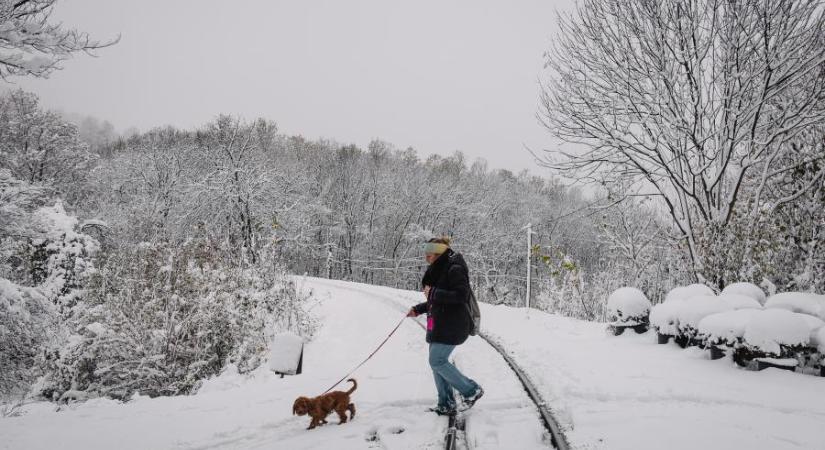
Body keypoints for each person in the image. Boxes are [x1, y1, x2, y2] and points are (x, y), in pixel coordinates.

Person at [407, 237, 484, 416]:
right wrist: (418, 309)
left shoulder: (454, 268)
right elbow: (436, 301)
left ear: (439, 253)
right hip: (440, 324)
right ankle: (446, 403)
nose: (426, 257)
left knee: (437, 360)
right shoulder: (439, 269)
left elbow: (460, 295)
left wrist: (433, 292)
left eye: (429, 254)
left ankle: (472, 391)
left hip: (454, 324)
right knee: (436, 363)